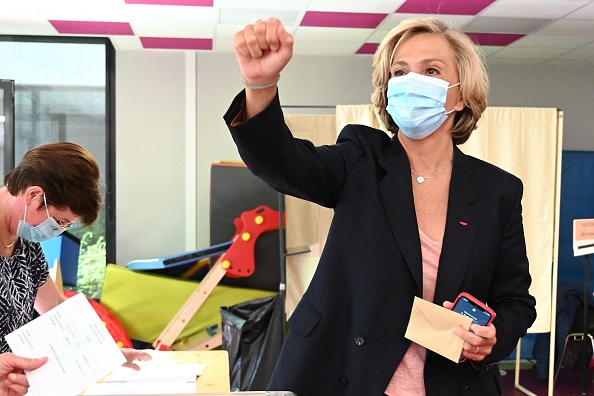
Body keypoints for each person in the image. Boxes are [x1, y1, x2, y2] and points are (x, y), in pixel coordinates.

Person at [225, 17, 537, 395]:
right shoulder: (360, 159)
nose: (411, 81)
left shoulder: (497, 191)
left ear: (462, 94)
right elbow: (283, 163)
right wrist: (260, 85)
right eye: (399, 72)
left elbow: (516, 301)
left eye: (431, 70)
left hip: (450, 383)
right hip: (343, 374)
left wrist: (493, 338)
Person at [0, 142, 150, 370]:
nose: (56, 232)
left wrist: (106, 352)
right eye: (58, 222)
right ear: (33, 195)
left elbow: (56, 307)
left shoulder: (25, 242)